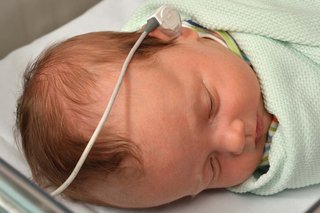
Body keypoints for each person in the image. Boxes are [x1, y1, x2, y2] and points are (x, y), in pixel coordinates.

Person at [16, 0, 320, 209]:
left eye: (210, 105)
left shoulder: (211, 13)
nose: (236, 139)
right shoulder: (282, 155)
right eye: (212, 167)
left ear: (175, 34)